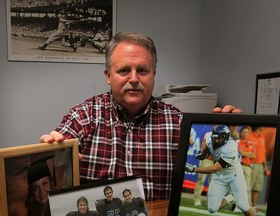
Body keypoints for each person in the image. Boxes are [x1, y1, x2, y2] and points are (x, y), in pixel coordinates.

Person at [39, 31, 242, 201]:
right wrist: (49, 153)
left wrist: (232, 135)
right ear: (108, 76)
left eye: (142, 70)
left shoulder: (178, 123)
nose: (134, 79)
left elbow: (209, 162)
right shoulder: (83, 117)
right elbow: (53, 162)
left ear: (154, 73)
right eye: (124, 70)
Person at [185, 125, 255, 216]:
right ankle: (231, 197)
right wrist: (204, 153)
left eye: (219, 138)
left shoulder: (231, 147)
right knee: (212, 208)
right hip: (219, 175)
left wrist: (194, 169)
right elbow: (208, 148)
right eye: (215, 137)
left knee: (243, 206)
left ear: (225, 138)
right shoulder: (209, 136)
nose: (216, 140)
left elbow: (214, 168)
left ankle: (237, 198)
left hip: (234, 174)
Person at [247, 127, 268, 215]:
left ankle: (254, 207)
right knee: (249, 186)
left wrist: (265, 166)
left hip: (260, 165)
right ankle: (247, 206)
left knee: (257, 187)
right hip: (252, 164)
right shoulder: (249, 136)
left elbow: (263, 153)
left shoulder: (261, 137)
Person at [192, 131, 213, 207]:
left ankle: (211, 202)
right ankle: (197, 199)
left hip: (216, 161)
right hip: (206, 160)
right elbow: (203, 146)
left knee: (213, 183)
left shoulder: (224, 135)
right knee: (201, 180)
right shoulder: (208, 134)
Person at [237, 126, 256, 205]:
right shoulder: (237, 142)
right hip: (238, 166)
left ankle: (248, 205)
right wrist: (248, 154)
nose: (245, 134)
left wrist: (244, 153)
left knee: (247, 187)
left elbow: (254, 155)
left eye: (247, 132)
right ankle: (236, 205)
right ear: (240, 133)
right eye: (243, 132)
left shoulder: (251, 143)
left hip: (247, 167)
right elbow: (239, 153)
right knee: (237, 186)